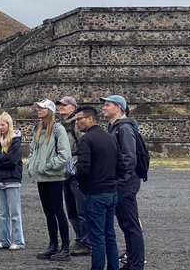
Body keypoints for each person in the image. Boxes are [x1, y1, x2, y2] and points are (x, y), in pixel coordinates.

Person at [75, 106, 120, 270]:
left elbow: (83, 167)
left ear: (90, 119)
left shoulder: (86, 140)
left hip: (95, 194)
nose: (76, 122)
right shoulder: (110, 138)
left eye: (79, 119)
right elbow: (120, 164)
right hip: (111, 192)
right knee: (110, 236)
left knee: (97, 238)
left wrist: (84, 187)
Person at [103, 95, 145, 270]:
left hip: (126, 183)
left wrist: (120, 181)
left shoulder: (124, 128)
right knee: (125, 223)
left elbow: (129, 157)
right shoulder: (114, 127)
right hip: (121, 182)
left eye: (107, 105)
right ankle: (131, 260)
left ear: (118, 108)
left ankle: (136, 264)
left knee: (131, 223)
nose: (104, 107)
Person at [28, 99, 71, 261]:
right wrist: (32, 166)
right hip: (41, 177)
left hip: (54, 177)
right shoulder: (39, 129)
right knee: (48, 212)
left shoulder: (58, 130)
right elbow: (32, 150)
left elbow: (64, 155)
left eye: (42, 107)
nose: (38, 110)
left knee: (59, 211)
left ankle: (65, 248)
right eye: (37, 107)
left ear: (50, 110)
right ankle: (53, 245)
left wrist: (47, 166)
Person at [0, 112, 25, 251]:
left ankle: (19, 241)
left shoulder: (15, 141)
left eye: (3, 124)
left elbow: (12, 160)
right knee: (2, 213)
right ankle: (4, 240)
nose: (1, 127)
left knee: (14, 212)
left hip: (12, 179)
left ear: (9, 124)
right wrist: (2, 159)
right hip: (0, 180)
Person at [57, 96, 90, 256]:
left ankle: (86, 243)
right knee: (71, 209)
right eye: (60, 105)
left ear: (73, 108)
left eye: (64, 105)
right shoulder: (61, 126)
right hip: (65, 172)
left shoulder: (77, 124)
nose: (61, 107)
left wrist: (80, 168)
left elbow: (85, 145)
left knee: (81, 208)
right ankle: (79, 240)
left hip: (75, 170)